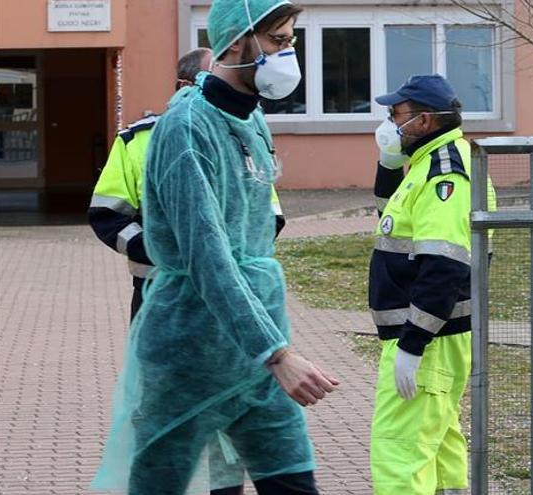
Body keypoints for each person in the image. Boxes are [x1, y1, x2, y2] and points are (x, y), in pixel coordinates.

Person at [91, 1, 338, 494]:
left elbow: (253, 237)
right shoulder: (186, 128)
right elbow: (208, 256)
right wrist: (278, 354)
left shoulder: (251, 119)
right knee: (159, 482)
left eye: (290, 40)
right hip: (191, 354)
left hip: (253, 353)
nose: (288, 53)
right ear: (234, 42)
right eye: (277, 41)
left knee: (292, 481)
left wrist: (269, 348)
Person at [368, 74, 496, 494]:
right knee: (437, 445)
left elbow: (443, 265)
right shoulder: (430, 160)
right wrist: (388, 164)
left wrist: (412, 344)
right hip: (435, 337)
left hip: (429, 338)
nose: (388, 123)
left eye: (396, 115)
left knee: (400, 452)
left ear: (423, 120)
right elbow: (395, 215)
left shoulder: (446, 173)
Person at [88, 48, 218, 320]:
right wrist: (156, 251)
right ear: (184, 86)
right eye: (215, 79)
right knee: (153, 363)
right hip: (156, 289)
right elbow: (107, 214)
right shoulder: (136, 141)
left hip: (226, 291)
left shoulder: (241, 139)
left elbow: (268, 215)